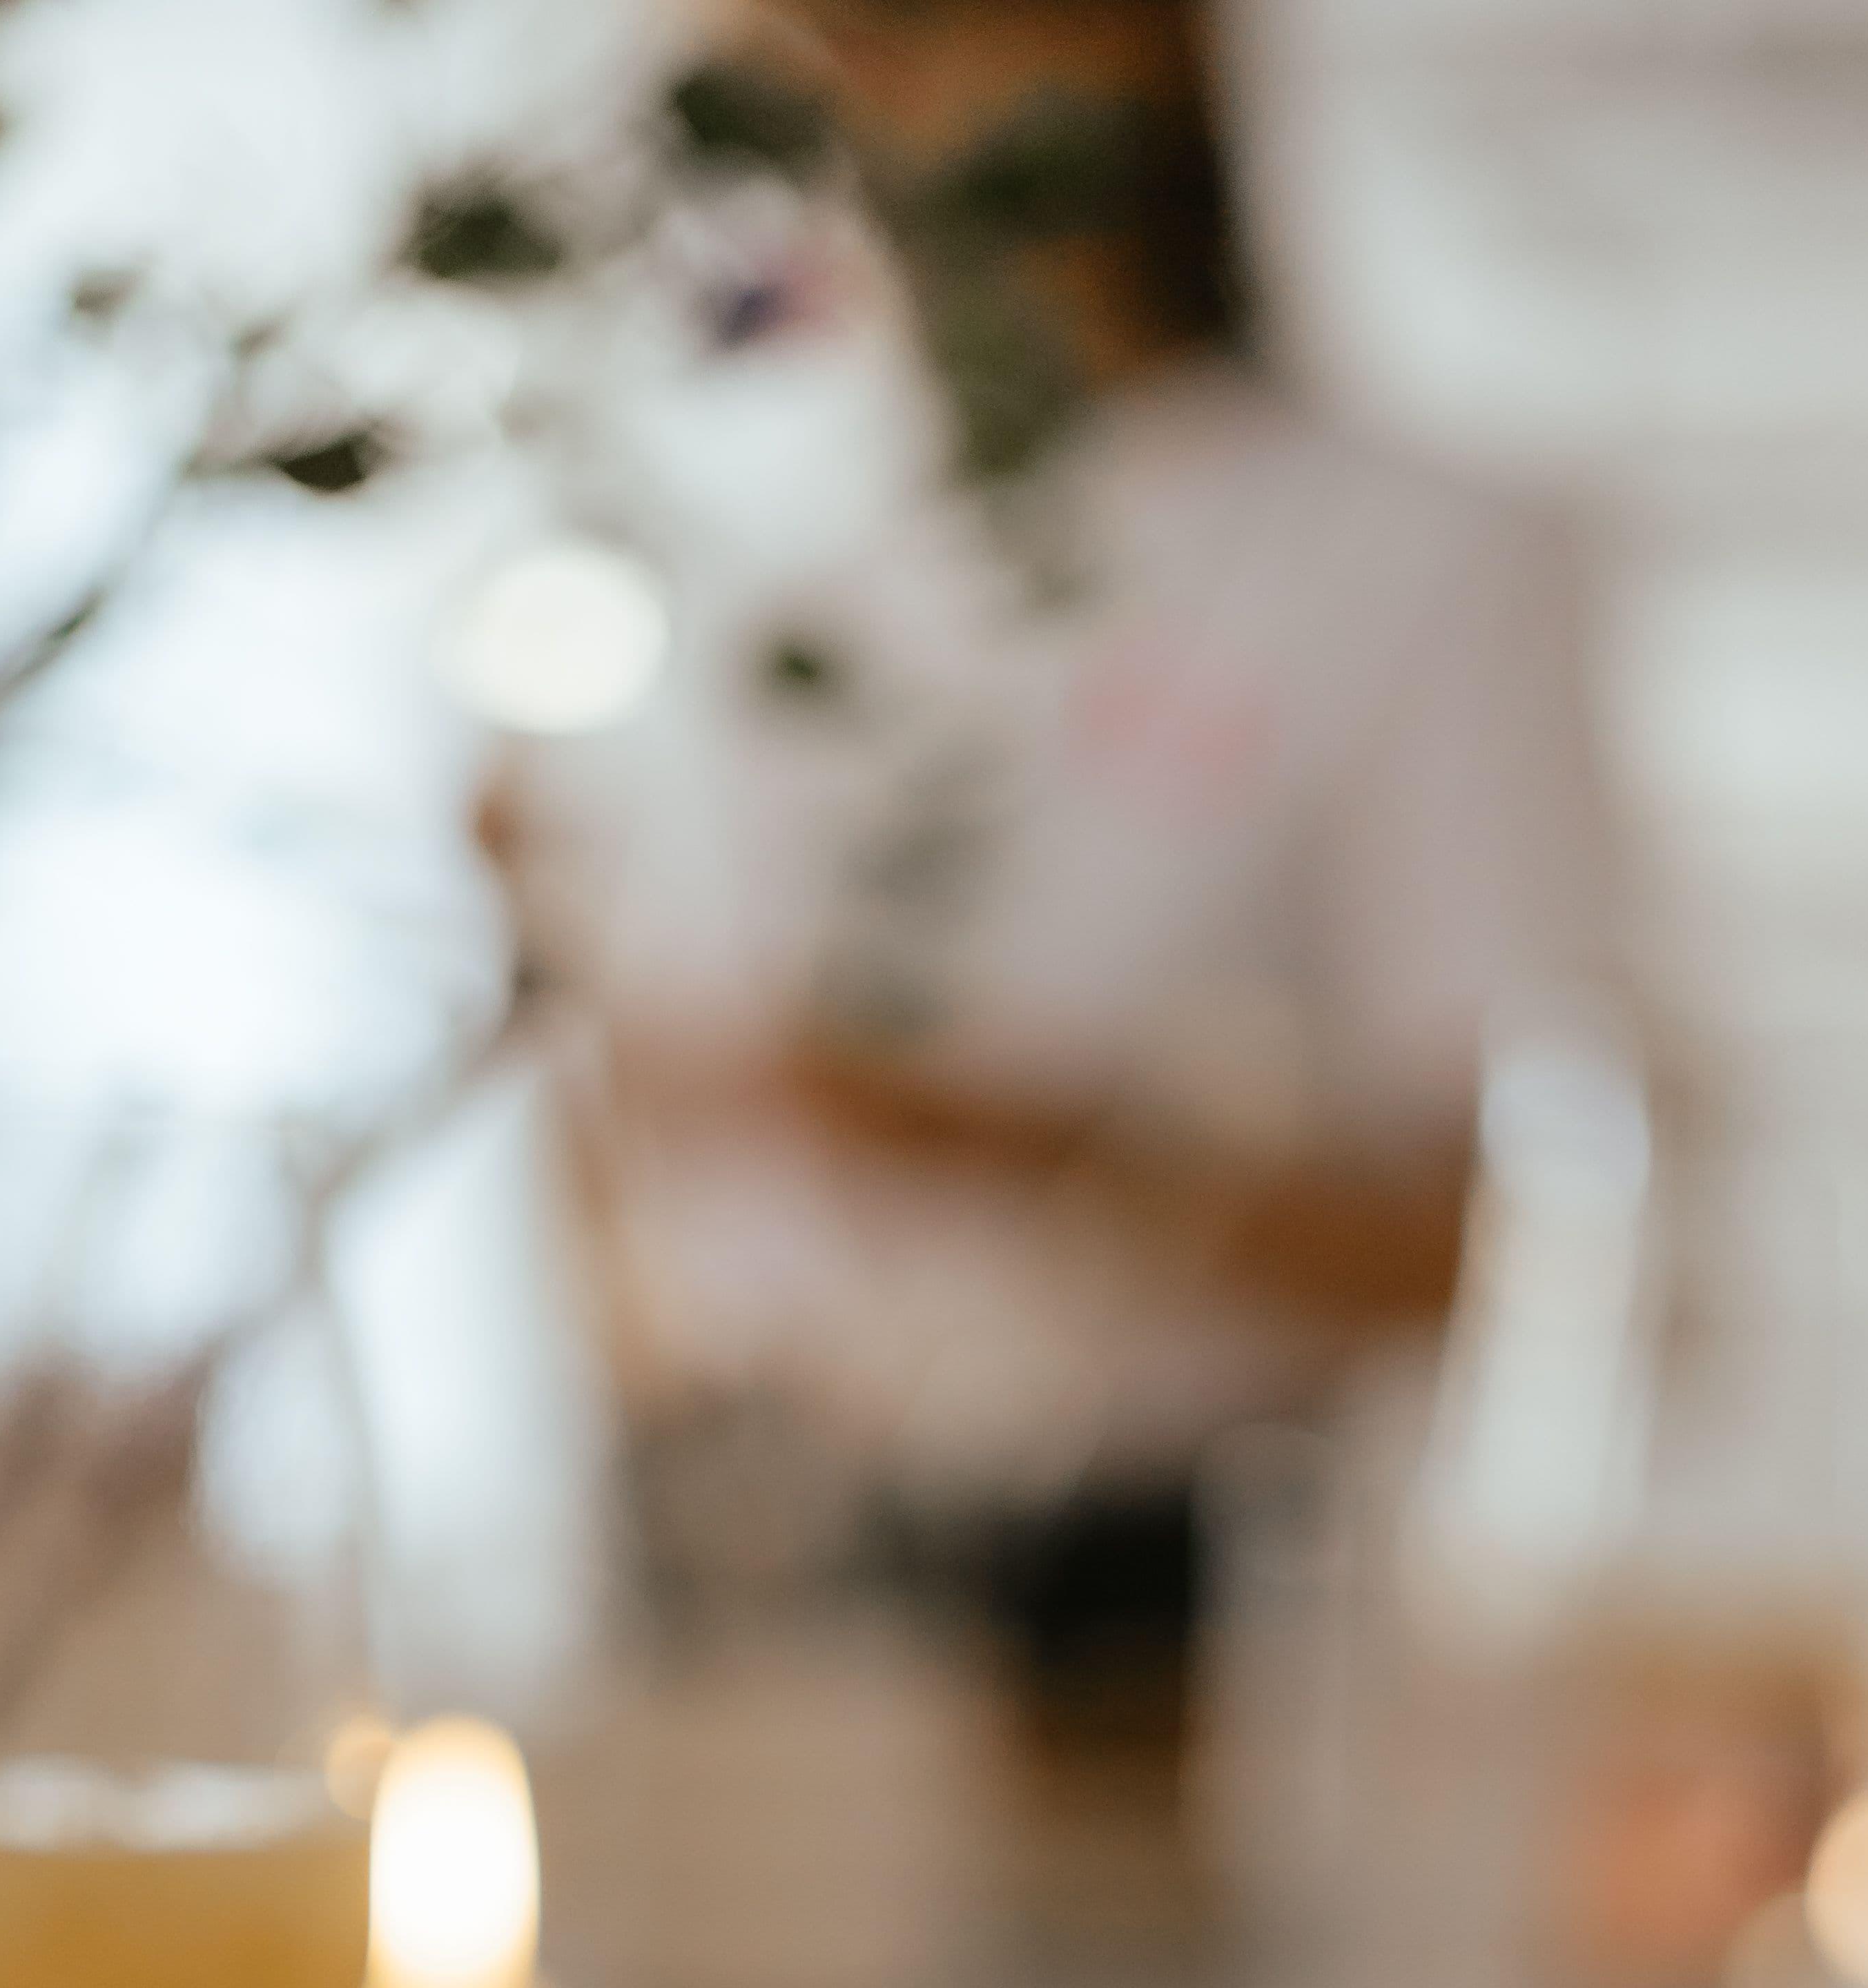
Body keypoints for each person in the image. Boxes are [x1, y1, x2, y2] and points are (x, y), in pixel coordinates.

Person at [514, 0, 1622, 1677]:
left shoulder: (1408, 561)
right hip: (715, 1566)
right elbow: (625, 1151)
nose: (887, 96)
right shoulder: (733, 559)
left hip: (1173, 1613)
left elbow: (1531, 1234)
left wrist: (1010, 1145)